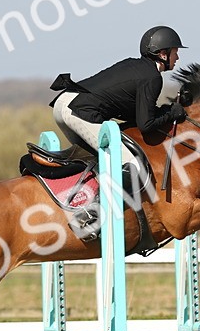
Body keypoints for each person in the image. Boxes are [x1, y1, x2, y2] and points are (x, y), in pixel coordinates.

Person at [49, 25, 190, 240]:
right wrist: (173, 113)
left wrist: (167, 110)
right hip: (79, 111)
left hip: (64, 104)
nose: (177, 57)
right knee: (131, 165)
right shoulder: (152, 77)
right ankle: (89, 215)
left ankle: (77, 201)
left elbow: (134, 113)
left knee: (97, 160)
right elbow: (146, 124)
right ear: (163, 54)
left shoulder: (136, 67)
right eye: (174, 51)